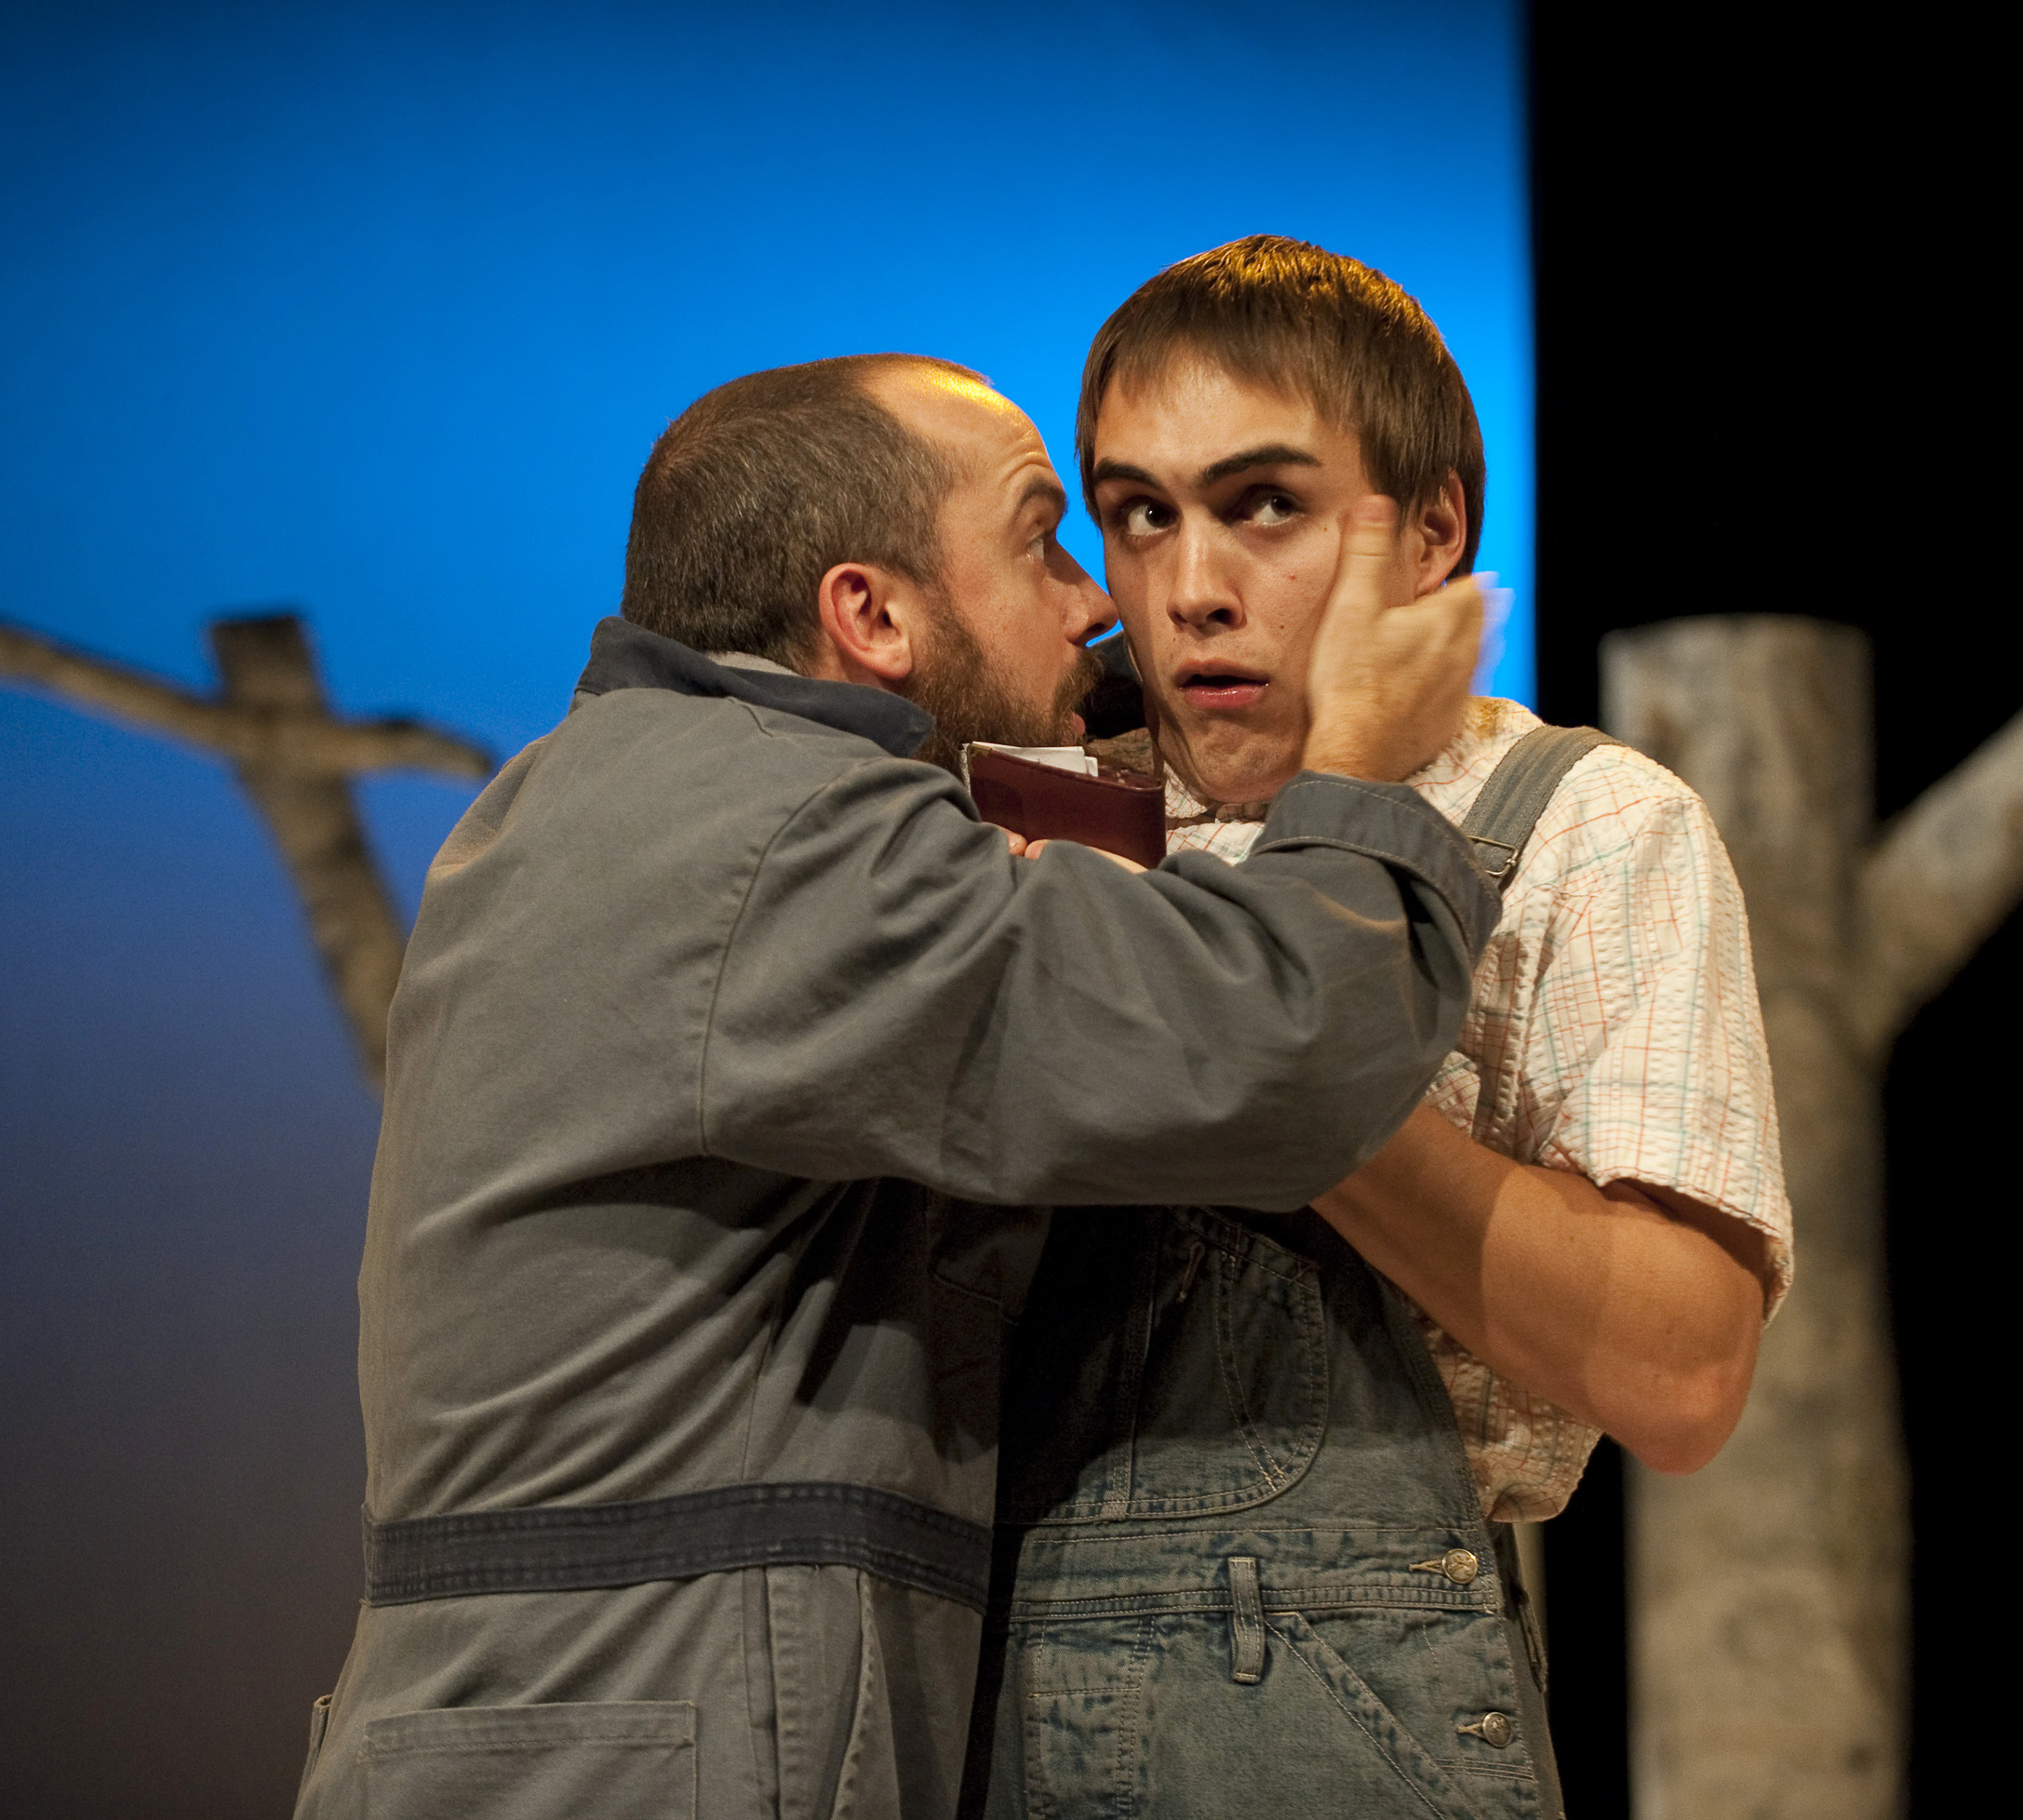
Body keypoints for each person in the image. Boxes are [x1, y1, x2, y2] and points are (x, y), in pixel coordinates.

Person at [293, 352, 1504, 1820]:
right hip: (634, 1759)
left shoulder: (626, 793)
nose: (1096, 603)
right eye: (1045, 539)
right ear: (869, 614)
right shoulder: (776, 845)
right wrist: (1360, 760)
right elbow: (1283, 1045)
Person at [968, 240, 1793, 1820]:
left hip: (1346, 1699)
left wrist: (1271, 1057)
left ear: (1434, 536)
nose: (1190, 583)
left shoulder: (1574, 824)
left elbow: (1686, 1374)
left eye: (1260, 504)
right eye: (1139, 513)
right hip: (978, 1679)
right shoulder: (1032, 810)